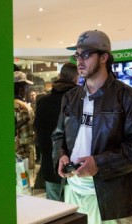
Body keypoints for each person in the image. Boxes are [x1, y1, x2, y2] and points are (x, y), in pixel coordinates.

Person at [51, 30, 132, 223]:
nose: (79, 61)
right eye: (77, 55)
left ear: (104, 57)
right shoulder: (70, 98)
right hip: (73, 189)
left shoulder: (128, 97)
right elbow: (58, 135)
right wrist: (61, 156)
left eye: (86, 55)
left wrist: (99, 163)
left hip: (113, 196)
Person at [34, 63, 79, 201]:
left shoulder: (42, 102)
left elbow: (38, 132)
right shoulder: (78, 101)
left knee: (54, 209)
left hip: (49, 163)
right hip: (74, 165)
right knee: (77, 210)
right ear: (75, 78)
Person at [14, 71, 35, 163]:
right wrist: (23, 156)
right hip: (20, 155)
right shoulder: (22, 107)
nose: (26, 90)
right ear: (19, 87)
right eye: (25, 86)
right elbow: (26, 137)